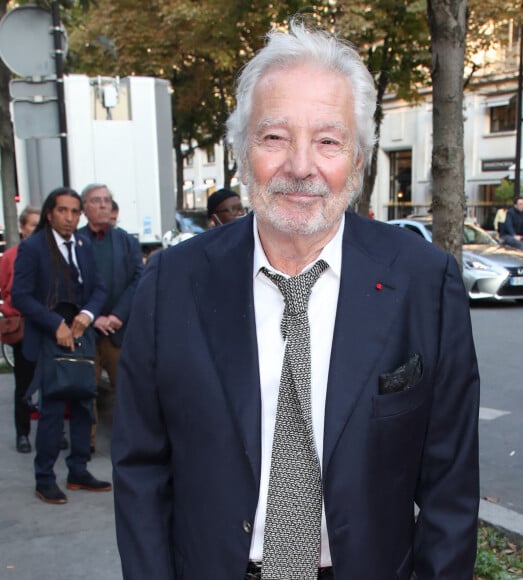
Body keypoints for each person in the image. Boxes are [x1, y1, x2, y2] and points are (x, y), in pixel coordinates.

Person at [112, 20, 480, 579]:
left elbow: (450, 489)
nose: (301, 166)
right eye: (275, 137)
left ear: (357, 161)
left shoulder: (426, 283)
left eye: (328, 140)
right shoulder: (170, 283)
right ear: (242, 152)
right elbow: (140, 471)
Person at [12, 187, 111, 505]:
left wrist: (86, 314)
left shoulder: (82, 244)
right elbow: (21, 296)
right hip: (47, 339)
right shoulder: (33, 247)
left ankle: (78, 471)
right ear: (49, 213)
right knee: (53, 410)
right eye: (63, 211)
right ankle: (45, 478)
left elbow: (99, 287)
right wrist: (55, 324)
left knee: (83, 404)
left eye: (74, 212)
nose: (69, 218)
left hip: (81, 336)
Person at [78, 184, 143, 451]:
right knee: (85, 390)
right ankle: (87, 443)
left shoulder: (126, 241)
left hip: (118, 329)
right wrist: (93, 317)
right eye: (96, 200)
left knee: (125, 391)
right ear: (84, 207)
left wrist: (117, 315)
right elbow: (71, 284)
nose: (104, 205)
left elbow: (138, 279)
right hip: (85, 330)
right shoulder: (75, 241)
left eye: (107, 200)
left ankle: (126, 442)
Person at [0, 206, 41, 453]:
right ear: (23, 228)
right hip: (23, 327)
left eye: (39, 224)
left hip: (46, 326)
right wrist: (9, 309)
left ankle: (54, 432)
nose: (35, 229)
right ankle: (23, 434)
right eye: (31, 225)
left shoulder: (50, 254)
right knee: (24, 384)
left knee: (51, 385)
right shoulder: (11, 256)